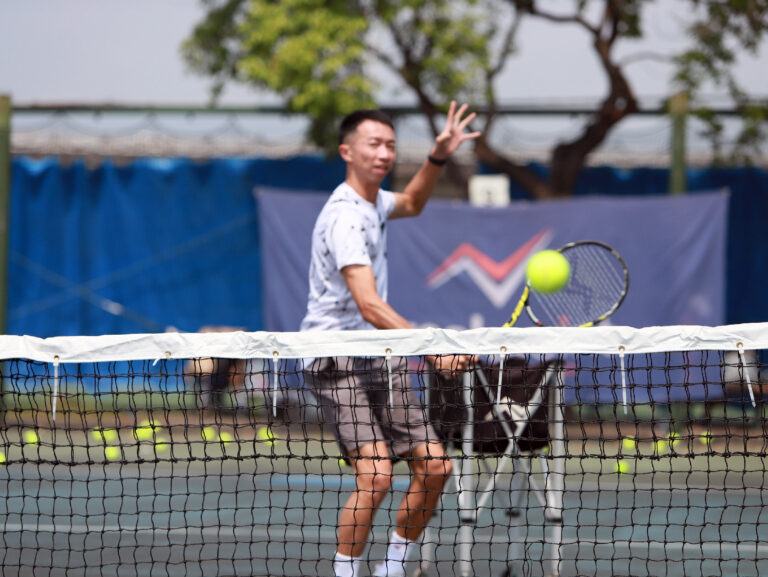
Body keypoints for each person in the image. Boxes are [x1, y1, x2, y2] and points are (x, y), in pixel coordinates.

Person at [300, 102, 480, 577]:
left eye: (390, 146)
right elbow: (369, 305)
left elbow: (414, 203)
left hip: (379, 354)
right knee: (376, 475)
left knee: (437, 468)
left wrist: (437, 156)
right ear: (347, 151)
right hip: (334, 356)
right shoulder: (345, 218)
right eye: (373, 144)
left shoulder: (375, 202)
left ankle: (392, 568)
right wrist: (431, 345)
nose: (384, 154)